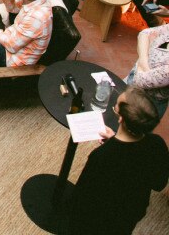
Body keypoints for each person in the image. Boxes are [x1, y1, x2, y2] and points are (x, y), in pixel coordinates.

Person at [65, 87, 169, 235]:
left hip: (96, 220)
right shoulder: (157, 143)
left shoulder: (102, 156)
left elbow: (82, 198)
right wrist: (114, 139)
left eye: (116, 106)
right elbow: (159, 184)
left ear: (121, 119)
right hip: (130, 215)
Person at [127, 23, 169, 119]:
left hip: (147, 102)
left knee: (129, 130)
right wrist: (144, 60)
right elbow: (144, 33)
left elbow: (140, 80)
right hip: (133, 78)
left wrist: (148, 47)